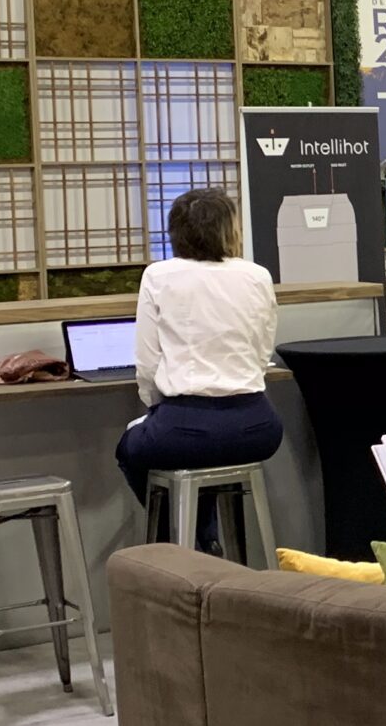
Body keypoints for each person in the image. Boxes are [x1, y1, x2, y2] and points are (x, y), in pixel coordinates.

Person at [116, 187, 282, 536]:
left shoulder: (158, 276)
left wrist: (156, 408)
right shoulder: (257, 275)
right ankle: (209, 541)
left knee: (132, 449)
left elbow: (147, 363)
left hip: (182, 425)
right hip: (258, 427)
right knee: (201, 458)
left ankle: (187, 539)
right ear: (229, 229)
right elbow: (262, 351)